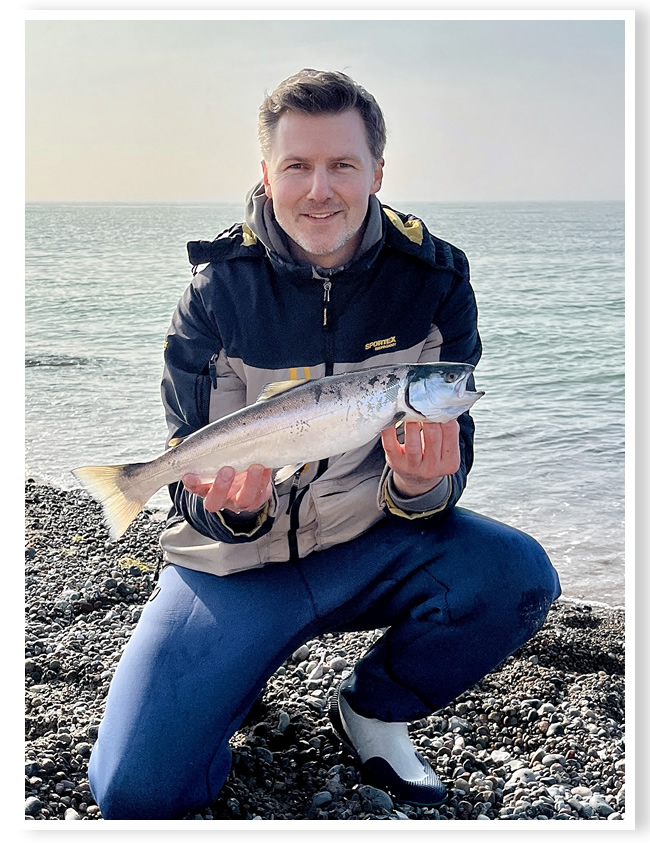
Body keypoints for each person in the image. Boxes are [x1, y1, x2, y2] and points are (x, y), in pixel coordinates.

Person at [87, 69, 561, 820]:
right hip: (236, 567)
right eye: (297, 166)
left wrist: (420, 488)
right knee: (138, 794)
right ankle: (236, 678)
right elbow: (192, 473)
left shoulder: (433, 278)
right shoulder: (215, 293)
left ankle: (372, 708)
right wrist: (233, 511)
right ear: (266, 172)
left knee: (515, 573)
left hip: (367, 547)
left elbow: (452, 456)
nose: (320, 190)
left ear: (378, 171)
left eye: (343, 164)